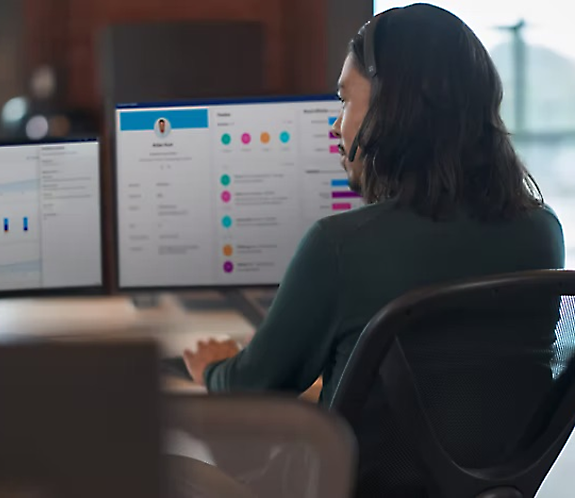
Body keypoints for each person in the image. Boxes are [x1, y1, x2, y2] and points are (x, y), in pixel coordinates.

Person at [184, 3, 565, 495]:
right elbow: (464, 381)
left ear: (392, 109)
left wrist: (212, 367)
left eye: (345, 101)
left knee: (165, 460)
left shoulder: (339, 247)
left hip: (345, 486)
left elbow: (251, 390)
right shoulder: (541, 233)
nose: (336, 126)